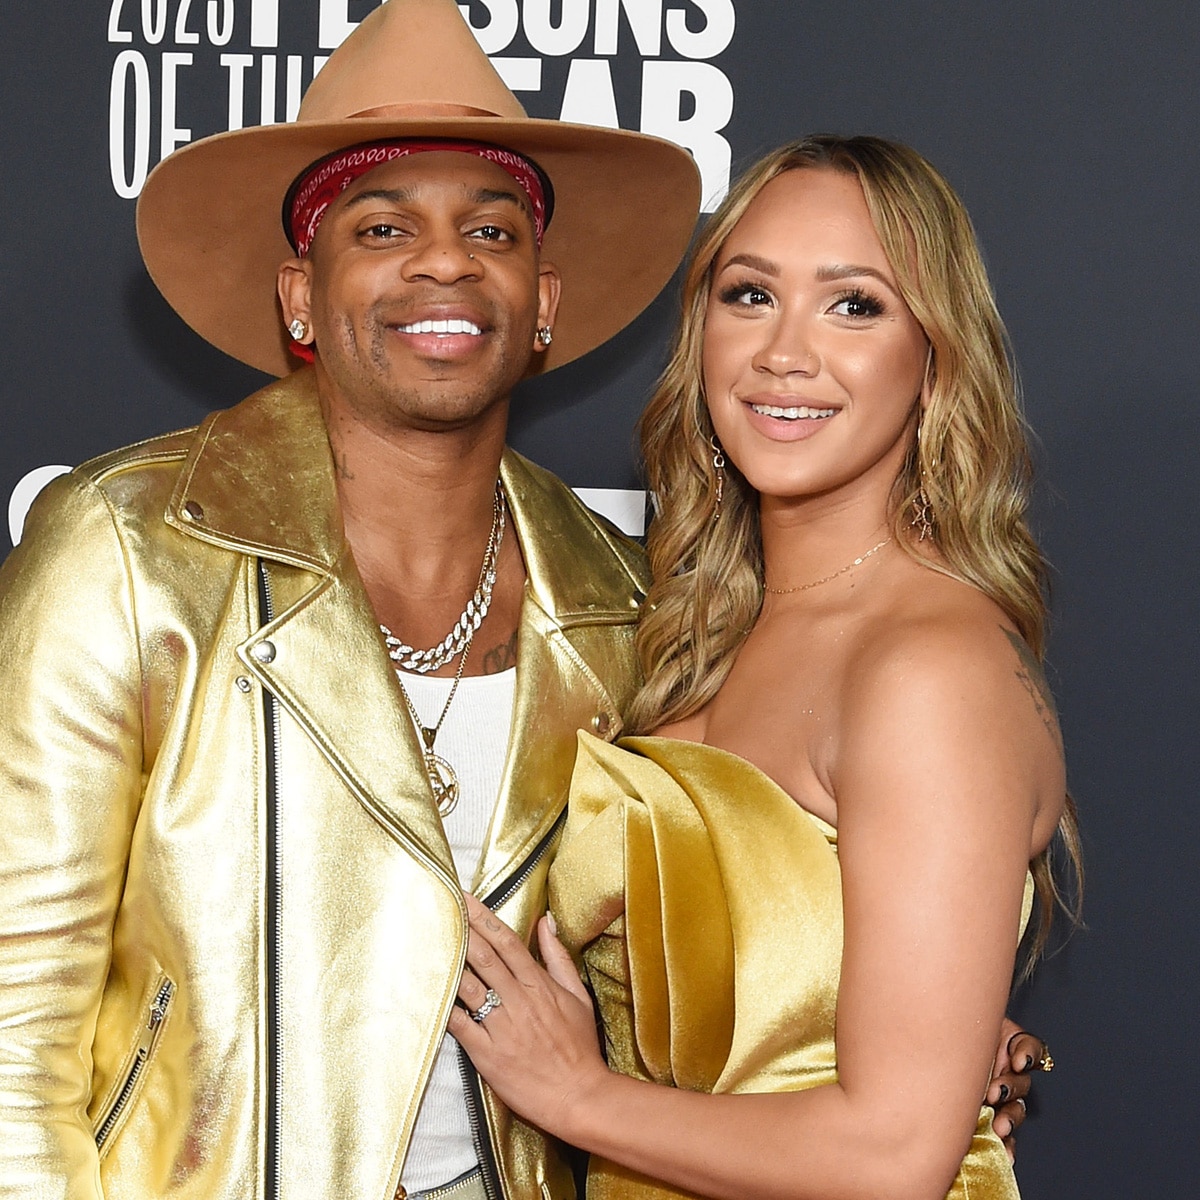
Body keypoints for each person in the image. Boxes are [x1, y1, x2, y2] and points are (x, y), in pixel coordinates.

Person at [0, 2, 700, 1198]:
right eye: (383, 226)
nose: (444, 261)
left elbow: (703, 955)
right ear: (299, 297)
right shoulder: (129, 545)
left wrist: (913, 1043)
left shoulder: (626, 598)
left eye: (493, 228)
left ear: (541, 302)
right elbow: (18, 1012)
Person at [450, 136, 1078, 1200]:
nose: (785, 353)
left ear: (937, 361)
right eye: (749, 296)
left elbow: (893, 1157)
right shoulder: (688, 630)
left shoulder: (929, 669)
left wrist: (576, 1095)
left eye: (854, 306)